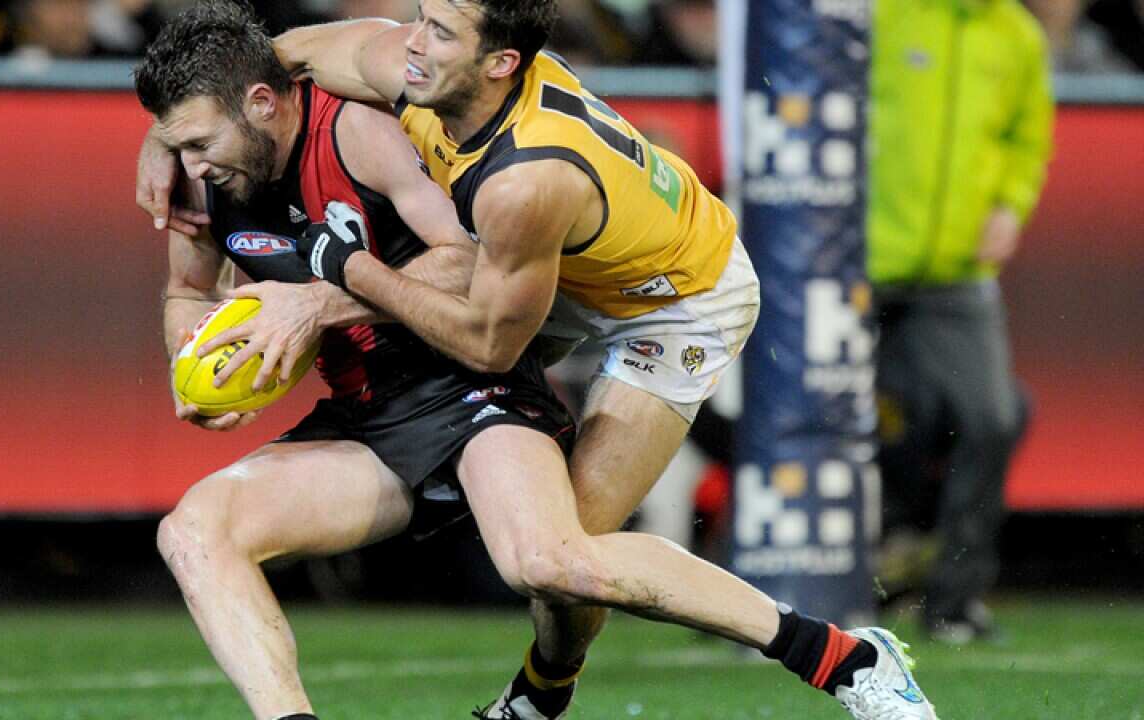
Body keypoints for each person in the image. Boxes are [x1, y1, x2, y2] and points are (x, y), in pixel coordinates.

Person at [137, 3, 940, 719]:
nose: (411, 44)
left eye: (440, 33)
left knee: (560, 559)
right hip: (469, 331)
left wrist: (325, 288)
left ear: (498, 64)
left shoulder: (519, 176)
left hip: (669, 298)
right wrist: (165, 135)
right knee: (195, 531)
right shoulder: (388, 76)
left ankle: (842, 657)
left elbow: (487, 336)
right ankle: (538, 696)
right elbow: (271, 55)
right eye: (421, 18)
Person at [869, 0, 1053, 643]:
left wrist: (1011, 205)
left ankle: (954, 602)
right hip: (854, 262)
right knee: (808, 417)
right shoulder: (883, 14)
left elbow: (1027, 141)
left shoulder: (1018, 36)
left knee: (991, 418)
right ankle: (761, 580)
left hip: (957, 272)